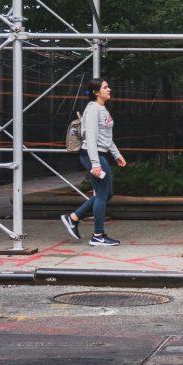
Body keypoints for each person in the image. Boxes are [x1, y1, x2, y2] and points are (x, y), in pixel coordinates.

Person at [60, 78, 127, 247]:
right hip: (93, 155)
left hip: (100, 154)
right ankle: (98, 235)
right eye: (105, 87)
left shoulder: (102, 108)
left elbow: (106, 137)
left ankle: (73, 218)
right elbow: (90, 138)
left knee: (106, 193)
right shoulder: (92, 109)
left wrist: (117, 154)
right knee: (102, 194)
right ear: (96, 92)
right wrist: (95, 164)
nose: (109, 89)